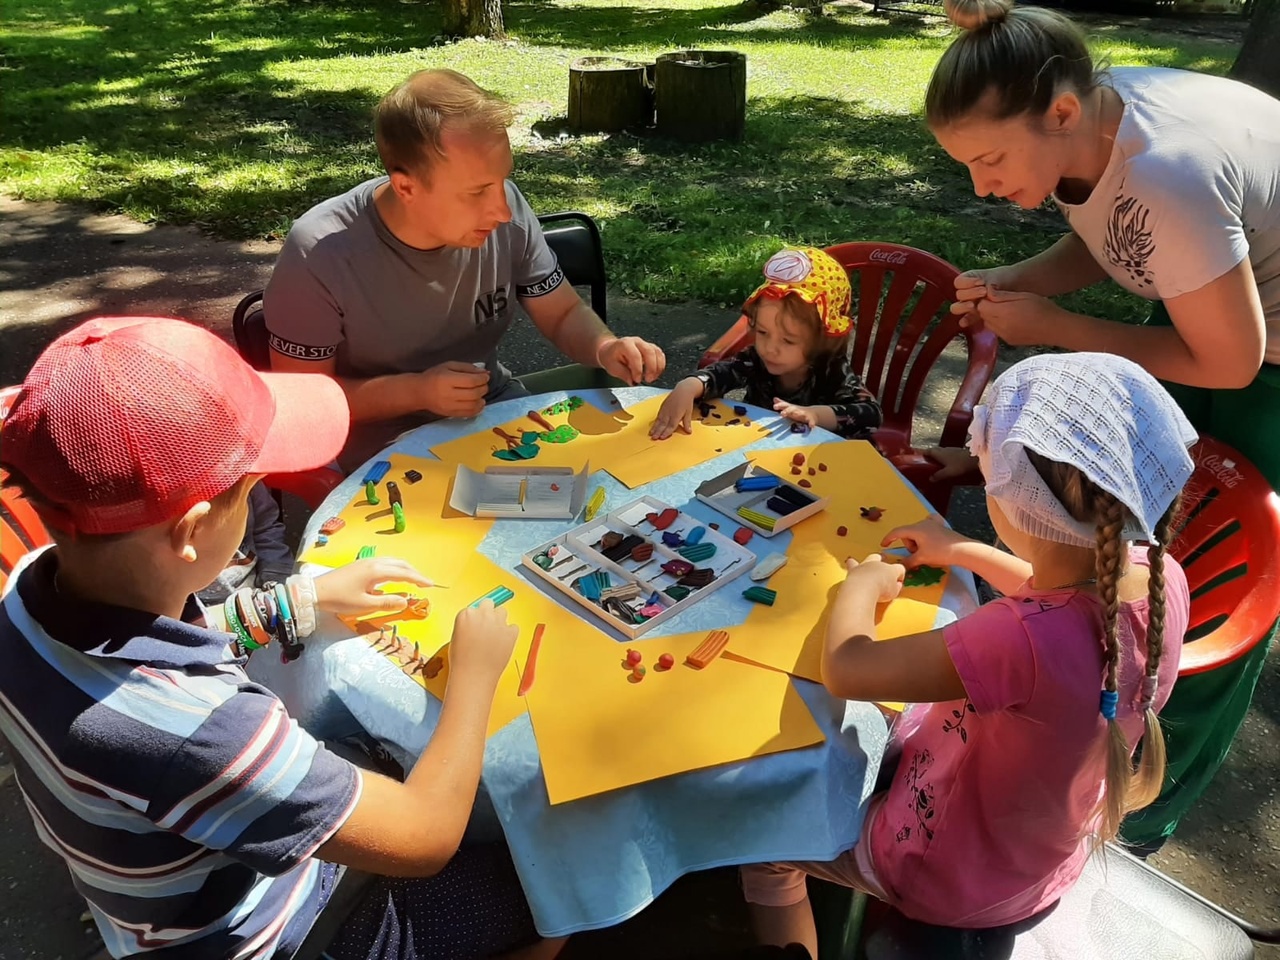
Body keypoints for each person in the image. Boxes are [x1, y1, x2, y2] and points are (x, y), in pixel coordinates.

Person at [0, 317, 561, 960]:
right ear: (192, 530)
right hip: (267, 934)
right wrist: (473, 680)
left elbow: (169, 642)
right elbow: (423, 839)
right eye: (249, 493)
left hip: (145, 897)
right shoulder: (205, 731)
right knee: (554, 880)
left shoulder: (23, 595)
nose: (256, 503)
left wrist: (305, 598)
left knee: (373, 750)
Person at [922, 0, 1280, 851]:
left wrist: (1055, 327)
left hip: (1265, 363)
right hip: (1235, 331)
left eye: (991, 160)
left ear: (1061, 113)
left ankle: (1140, 813)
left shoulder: (1170, 171)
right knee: (1138, 535)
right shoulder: (1095, 119)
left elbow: (1229, 361)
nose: (982, 186)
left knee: (1212, 579)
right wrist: (1023, 278)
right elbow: (1116, 235)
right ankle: (1087, 728)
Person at [740, 353, 1193, 952]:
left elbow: (848, 669)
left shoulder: (1017, 637)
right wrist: (958, 548)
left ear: (1017, 499)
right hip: (1039, 854)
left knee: (765, 853)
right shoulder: (1156, 576)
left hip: (943, 870)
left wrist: (859, 590)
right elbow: (1050, 588)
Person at [265, 68, 667, 470]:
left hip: (495, 418)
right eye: (476, 192)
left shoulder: (502, 208)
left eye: (502, 181)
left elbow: (561, 313)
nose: (503, 209)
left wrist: (605, 347)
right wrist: (416, 392)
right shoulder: (319, 251)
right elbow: (303, 401)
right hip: (380, 453)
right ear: (407, 188)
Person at [651, 246, 882, 440]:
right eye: (762, 332)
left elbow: (871, 413)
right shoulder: (756, 360)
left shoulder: (830, 368)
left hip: (818, 465)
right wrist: (689, 386)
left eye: (788, 340)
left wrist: (816, 415)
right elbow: (723, 373)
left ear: (822, 341)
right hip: (759, 452)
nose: (770, 348)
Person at [196, 480, 294, 605]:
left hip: (257, 590)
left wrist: (275, 577)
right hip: (202, 612)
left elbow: (265, 527)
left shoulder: (246, 477)